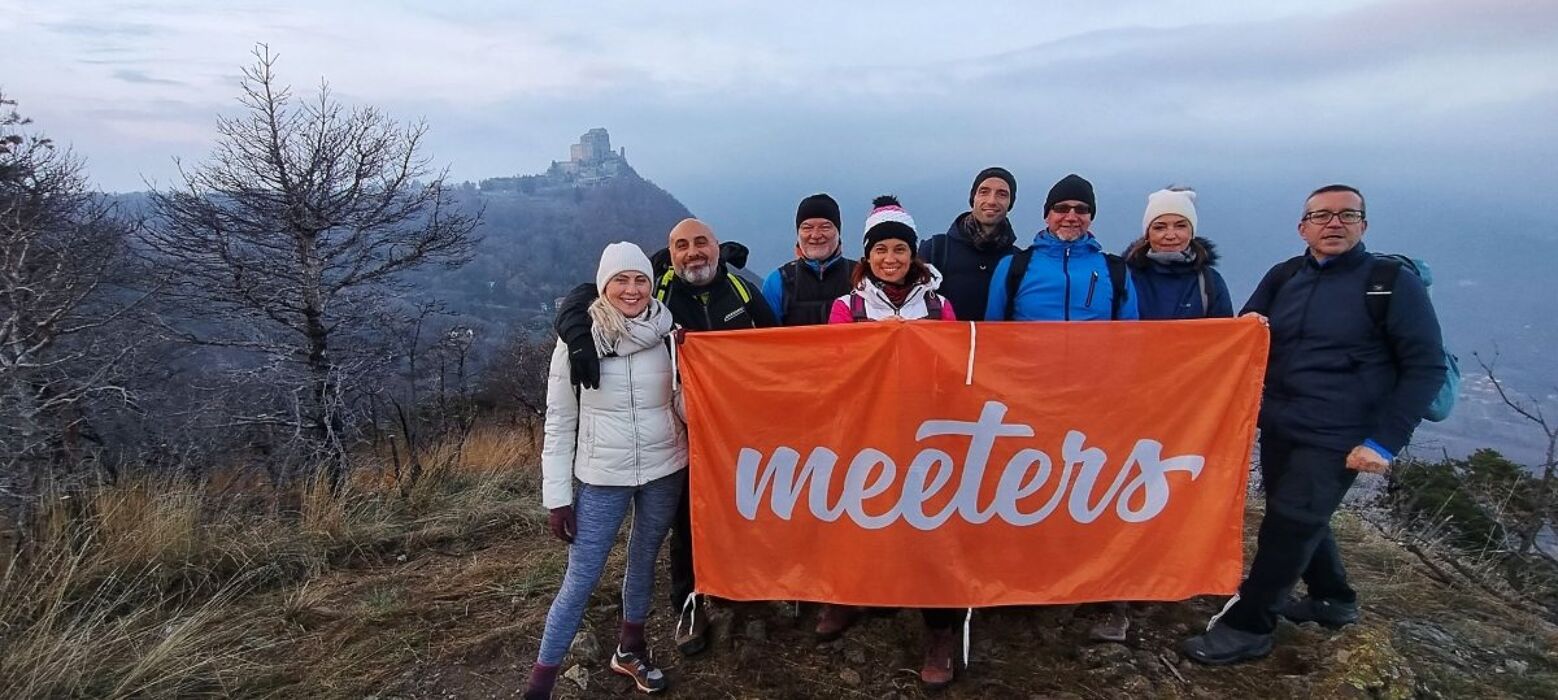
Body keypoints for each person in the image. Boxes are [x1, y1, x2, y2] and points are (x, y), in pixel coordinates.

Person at [1181, 184, 1446, 665]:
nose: (1334, 223)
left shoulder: (1389, 282)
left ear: (1363, 224)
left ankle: (1249, 627)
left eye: (1347, 215)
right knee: (1295, 514)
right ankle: (1333, 600)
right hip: (1282, 423)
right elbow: (1242, 337)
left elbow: (1425, 367)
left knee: (1288, 525)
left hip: (1342, 435)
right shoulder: (1285, 276)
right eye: (1321, 215)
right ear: (1303, 227)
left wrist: (1384, 443)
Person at [552, 219, 776, 655]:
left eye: (701, 243)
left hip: (744, 431)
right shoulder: (661, 297)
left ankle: (745, 592)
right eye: (681, 246)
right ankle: (688, 603)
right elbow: (595, 293)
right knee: (687, 523)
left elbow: (781, 346)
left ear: (717, 247)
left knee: (748, 511)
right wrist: (573, 327)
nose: (693, 252)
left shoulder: (744, 291)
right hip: (684, 437)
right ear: (669, 257)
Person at [525, 242, 686, 698]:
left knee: (644, 559)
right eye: (621, 280)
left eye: (640, 280)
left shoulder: (667, 333)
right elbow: (559, 423)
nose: (632, 290)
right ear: (604, 285)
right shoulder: (578, 342)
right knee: (581, 577)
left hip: (664, 465)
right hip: (602, 475)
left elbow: (681, 407)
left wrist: (697, 372)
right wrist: (556, 498)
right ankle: (540, 683)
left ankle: (630, 648)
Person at [823, 195, 960, 689]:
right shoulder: (848, 306)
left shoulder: (939, 305)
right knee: (861, 518)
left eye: (899, 250)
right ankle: (849, 596)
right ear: (867, 256)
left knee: (932, 532)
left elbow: (956, 371)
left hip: (928, 436)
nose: (890, 259)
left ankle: (940, 632)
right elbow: (836, 367)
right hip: (868, 434)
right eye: (881, 250)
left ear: (913, 255)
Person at [985, 174, 1139, 321]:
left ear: (1090, 217)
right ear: (1047, 216)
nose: (1071, 217)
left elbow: (1130, 335)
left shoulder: (1116, 271)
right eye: (1061, 208)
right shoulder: (1012, 267)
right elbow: (991, 333)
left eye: (1081, 210)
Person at [918, 167, 1020, 320]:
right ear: (973, 198)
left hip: (999, 343)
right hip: (944, 343)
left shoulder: (1019, 260)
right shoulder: (935, 250)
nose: (991, 201)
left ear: (1010, 203)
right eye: (984, 192)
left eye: (1002, 194)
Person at [1122, 187, 1233, 320]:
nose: (1170, 235)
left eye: (1180, 226)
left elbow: (1226, 335)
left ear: (1192, 232)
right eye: (1160, 227)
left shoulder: (1209, 282)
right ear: (1147, 234)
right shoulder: (1124, 278)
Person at [762, 193, 859, 325]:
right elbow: (765, 337)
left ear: (838, 232)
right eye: (807, 228)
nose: (816, 235)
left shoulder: (860, 276)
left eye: (825, 227)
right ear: (798, 234)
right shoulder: (778, 281)